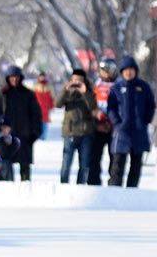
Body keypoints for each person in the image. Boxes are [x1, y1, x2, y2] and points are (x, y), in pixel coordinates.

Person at [107, 56, 155, 188]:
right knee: (117, 166)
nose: (129, 72)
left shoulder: (143, 87)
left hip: (139, 132)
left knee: (136, 166)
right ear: (122, 72)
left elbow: (151, 105)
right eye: (126, 70)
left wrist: (146, 120)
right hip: (121, 132)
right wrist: (117, 122)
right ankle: (114, 191)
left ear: (136, 71)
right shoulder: (116, 88)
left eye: (132, 70)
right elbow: (111, 108)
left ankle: (131, 192)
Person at [0, 65, 42, 181]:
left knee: (25, 167)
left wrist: (35, 133)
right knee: (6, 166)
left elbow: (36, 115)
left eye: (16, 77)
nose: (14, 79)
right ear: (7, 78)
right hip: (7, 137)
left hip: (25, 136)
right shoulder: (2, 94)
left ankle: (27, 191)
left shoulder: (28, 94)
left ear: (20, 78)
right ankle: (8, 191)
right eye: (11, 77)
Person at [55, 69, 97, 184]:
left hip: (86, 133)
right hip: (70, 132)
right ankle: (63, 186)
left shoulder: (89, 92)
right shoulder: (68, 92)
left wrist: (85, 92)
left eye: (79, 81)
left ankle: (81, 187)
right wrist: (65, 90)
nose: (76, 83)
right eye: (74, 80)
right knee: (66, 165)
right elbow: (57, 104)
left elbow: (93, 107)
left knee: (84, 165)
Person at [88, 57, 117, 186]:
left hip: (113, 127)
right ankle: (94, 182)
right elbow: (89, 104)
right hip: (97, 126)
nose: (106, 72)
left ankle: (114, 183)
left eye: (109, 69)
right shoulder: (95, 85)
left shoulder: (118, 85)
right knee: (95, 157)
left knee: (114, 158)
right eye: (103, 70)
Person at [33, 71, 55, 140]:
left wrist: (52, 105)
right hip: (37, 108)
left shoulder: (49, 87)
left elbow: (52, 97)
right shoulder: (35, 87)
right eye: (41, 76)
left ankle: (43, 136)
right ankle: (37, 134)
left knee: (45, 122)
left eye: (43, 76)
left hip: (46, 108)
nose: (42, 78)